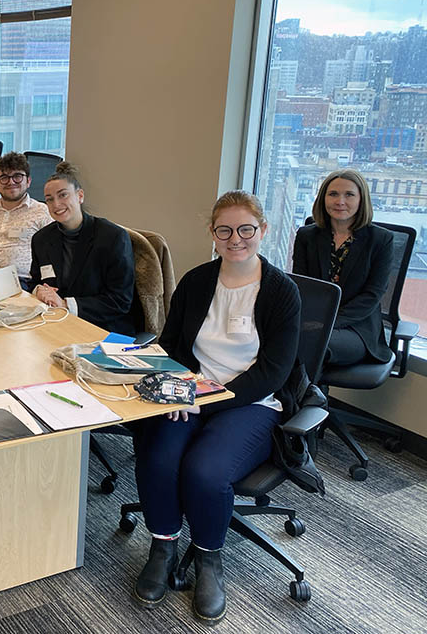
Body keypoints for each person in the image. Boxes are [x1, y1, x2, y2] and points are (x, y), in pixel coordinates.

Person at [132, 190, 301, 624]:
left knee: (205, 471)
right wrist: (182, 389)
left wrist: (204, 403)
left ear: (262, 231)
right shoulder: (196, 280)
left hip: (252, 402)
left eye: (246, 229)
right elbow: (171, 345)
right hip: (192, 392)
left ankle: (209, 559)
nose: (236, 239)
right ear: (213, 233)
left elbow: (274, 372)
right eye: (224, 230)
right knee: (158, 455)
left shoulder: (281, 292)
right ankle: (163, 546)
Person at [292, 169, 394, 366]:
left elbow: (372, 296)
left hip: (357, 327)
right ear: (323, 198)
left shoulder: (381, 240)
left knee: (312, 344)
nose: (340, 201)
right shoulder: (307, 236)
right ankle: (309, 396)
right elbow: (302, 286)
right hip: (312, 321)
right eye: (333, 194)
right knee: (283, 338)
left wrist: (327, 323)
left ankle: (304, 396)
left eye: (349, 195)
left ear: (361, 200)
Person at [29, 161, 141, 335]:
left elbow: (120, 300)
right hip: (55, 323)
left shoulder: (112, 237)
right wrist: (40, 291)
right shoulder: (41, 239)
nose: (56, 204)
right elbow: (34, 281)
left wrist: (66, 304)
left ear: (80, 196)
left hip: (104, 328)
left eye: (63, 195)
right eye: (49, 199)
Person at [0, 151, 52, 287]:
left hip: (23, 282)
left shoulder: (43, 212)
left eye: (17, 176)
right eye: (4, 177)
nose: (11, 182)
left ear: (28, 181)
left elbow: (52, 257)